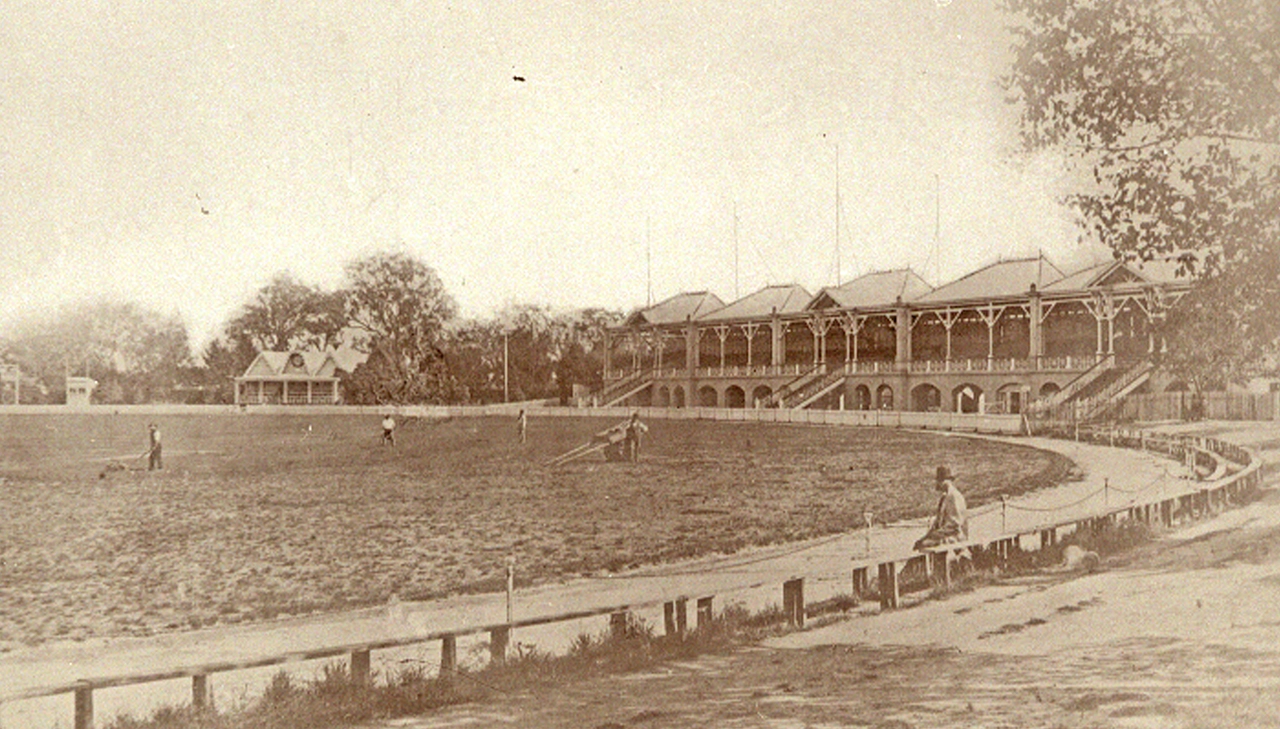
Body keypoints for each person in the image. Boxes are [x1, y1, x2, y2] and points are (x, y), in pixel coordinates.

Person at [913, 465, 968, 551]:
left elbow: (954, 525)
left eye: (939, 481)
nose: (937, 484)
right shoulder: (946, 496)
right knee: (920, 543)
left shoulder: (953, 496)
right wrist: (927, 536)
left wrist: (935, 535)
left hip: (956, 537)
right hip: (946, 535)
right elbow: (939, 523)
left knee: (924, 545)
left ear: (946, 481)